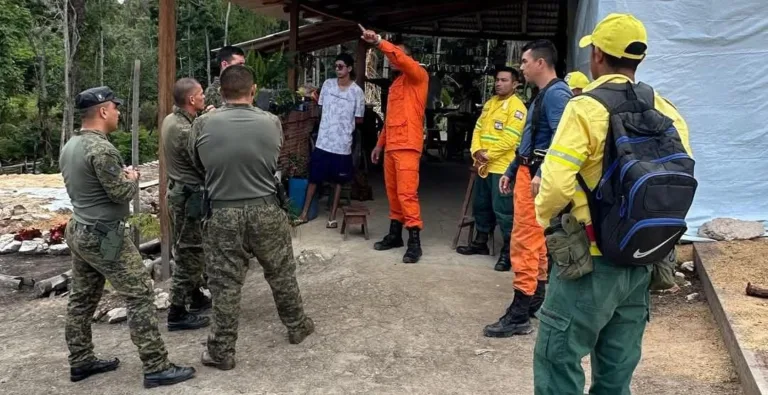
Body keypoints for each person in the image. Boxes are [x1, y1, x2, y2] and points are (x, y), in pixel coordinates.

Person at [533, 13, 692, 394]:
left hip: (590, 259)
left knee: (559, 358)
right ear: (638, 58)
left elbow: (554, 185)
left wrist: (546, 221)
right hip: (642, 258)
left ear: (599, 55)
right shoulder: (667, 109)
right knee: (617, 371)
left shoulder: (585, 108)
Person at [60, 86, 195, 388]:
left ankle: (80, 360)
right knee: (139, 294)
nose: (119, 113)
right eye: (116, 108)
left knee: (82, 298)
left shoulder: (71, 145)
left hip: (80, 228)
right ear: (103, 111)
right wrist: (131, 177)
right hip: (104, 234)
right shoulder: (103, 149)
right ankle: (156, 366)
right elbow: (119, 192)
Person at [190, 65, 314, 371]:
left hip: (222, 211)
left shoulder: (202, 124)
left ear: (220, 93)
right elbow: (275, 157)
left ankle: (221, 351)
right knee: (281, 272)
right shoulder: (271, 122)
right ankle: (297, 326)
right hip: (265, 208)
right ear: (253, 91)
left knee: (225, 284)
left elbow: (197, 163)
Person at [483, 40, 572, 336]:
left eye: (524, 61)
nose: (521, 67)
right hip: (525, 171)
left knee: (524, 240)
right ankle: (536, 299)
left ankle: (519, 312)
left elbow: (562, 138)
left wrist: (542, 171)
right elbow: (530, 137)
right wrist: (512, 169)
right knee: (534, 241)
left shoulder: (557, 94)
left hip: (535, 176)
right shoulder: (542, 95)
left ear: (540, 63)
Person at [361, 25, 429, 264]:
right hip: (392, 146)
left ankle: (414, 242)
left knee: (407, 193)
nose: (391, 59)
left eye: (396, 55)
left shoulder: (418, 75)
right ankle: (395, 235)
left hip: (408, 146)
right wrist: (380, 145)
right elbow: (390, 119)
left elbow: (398, 56)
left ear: (408, 58)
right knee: (393, 194)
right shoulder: (397, 84)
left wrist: (380, 42)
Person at [457, 66, 527, 273]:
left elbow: (510, 138)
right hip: (483, 166)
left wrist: (489, 154)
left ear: (515, 84)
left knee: (504, 211)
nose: (499, 83)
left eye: (504, 80)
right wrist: (476, 151)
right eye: (497, 80)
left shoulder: (518, 108)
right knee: (481, 205)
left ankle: (508, 252)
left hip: (502, 168)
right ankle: (480, 243)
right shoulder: (489, 104)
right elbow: (478, 129)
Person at [160, 78, 212, 331]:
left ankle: (195, 297)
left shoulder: (172, 119)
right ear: (191, 100)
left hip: (178, 192)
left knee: (186, 248)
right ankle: (177, 311)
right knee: (191, 251)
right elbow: (203, 163)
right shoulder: (185, 130)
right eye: (201, 94)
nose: (204, 97)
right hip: (190, 196)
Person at [297, 53, 365, 228]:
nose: (337, 69)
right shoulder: (327, 85)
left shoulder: (357, 92)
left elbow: (359, 118)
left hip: (342, 144)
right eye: (335, 66)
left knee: (338, 181)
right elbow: (320, 106)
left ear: (349, 68)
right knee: (314, 177)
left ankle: (332, 217)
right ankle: (303, 213)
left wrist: (343, 123)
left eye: (340, 66)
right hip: (324, 140)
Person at [204, 45, 246, 110]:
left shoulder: (244, 87)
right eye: (239, 64)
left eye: (243, 64)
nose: (243, 68)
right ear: (224, 64)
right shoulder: (212, 92)